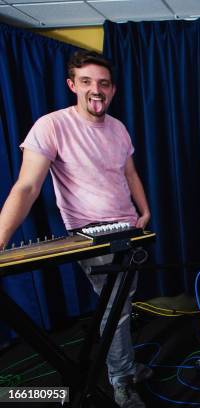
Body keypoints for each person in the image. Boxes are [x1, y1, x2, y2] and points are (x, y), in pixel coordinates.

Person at [0, 50, 152, 407]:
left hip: (129, 227)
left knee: (122, 306)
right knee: (116, 309)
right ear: (72, 85)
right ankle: (121, 381)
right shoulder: (51, 125)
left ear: (112, 90)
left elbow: (129, 173)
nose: (95, 90)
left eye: (103, 83)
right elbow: (26, 187)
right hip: (90, 233)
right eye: (86, 82)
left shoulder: (118, 128)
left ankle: (125, 366)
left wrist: (144, 212)